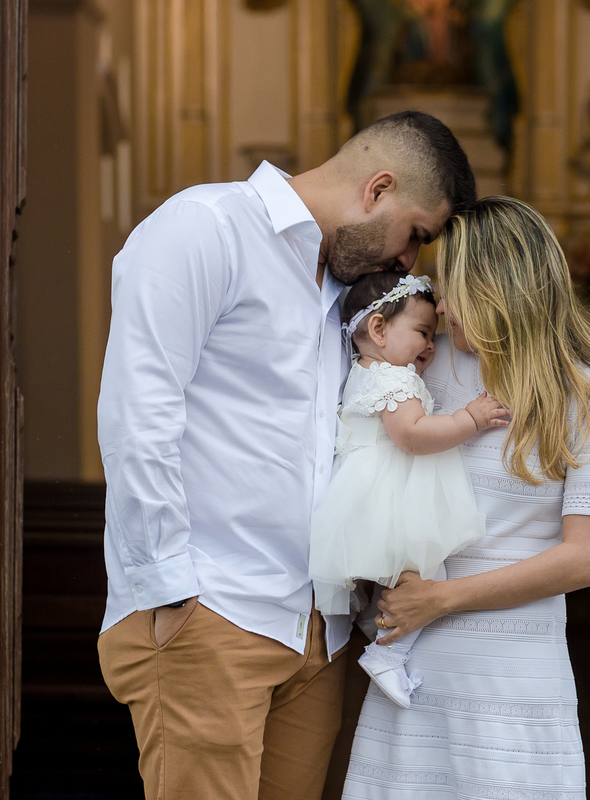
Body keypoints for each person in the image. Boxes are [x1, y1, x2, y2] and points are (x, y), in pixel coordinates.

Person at [95, 111, 475, 800]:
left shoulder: (348, 296)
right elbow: (138, 411)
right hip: (215, 608)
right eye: (415, 234)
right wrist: (170, 589)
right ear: (378, 188)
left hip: (315, 632)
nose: (408, 261)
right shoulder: (205, 227)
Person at [340, 196, 590, 798]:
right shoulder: (425, 362)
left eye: (456, 288)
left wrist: (441, 599)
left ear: (501, 289)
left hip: (515, 673)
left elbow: (585, 560)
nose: (441, 305)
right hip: (414, 669)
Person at [308, 271, 508, 709]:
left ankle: (379, 634)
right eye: (422, 332)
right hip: (391, 490)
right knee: (428, 575)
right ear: (379, 329)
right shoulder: (392, 379)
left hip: (372, 488)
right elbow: (413, 436)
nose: (431, 346)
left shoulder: (367, 370)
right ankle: (387, 653)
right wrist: (469, 420)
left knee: (408, 576)